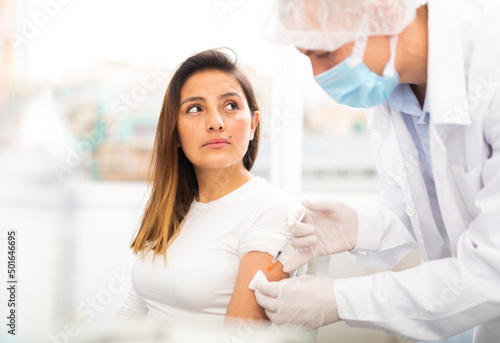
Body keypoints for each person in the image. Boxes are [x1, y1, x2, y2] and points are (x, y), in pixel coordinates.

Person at [254, 1, 500, 342]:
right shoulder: (392, 87)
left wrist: (337, 301)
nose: (318, 74)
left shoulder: (492, 63)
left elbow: (493, 270)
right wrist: (359, 227)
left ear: (382, 11)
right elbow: (437, 200)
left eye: (322, 51)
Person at [116, 48, 300, 325]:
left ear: (253, 124)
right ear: (174, 131)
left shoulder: (273, 210)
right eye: (195, 109)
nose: (215, 122)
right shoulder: (173, 207)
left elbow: (242, 334)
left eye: (230, 105)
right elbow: (134, 310)